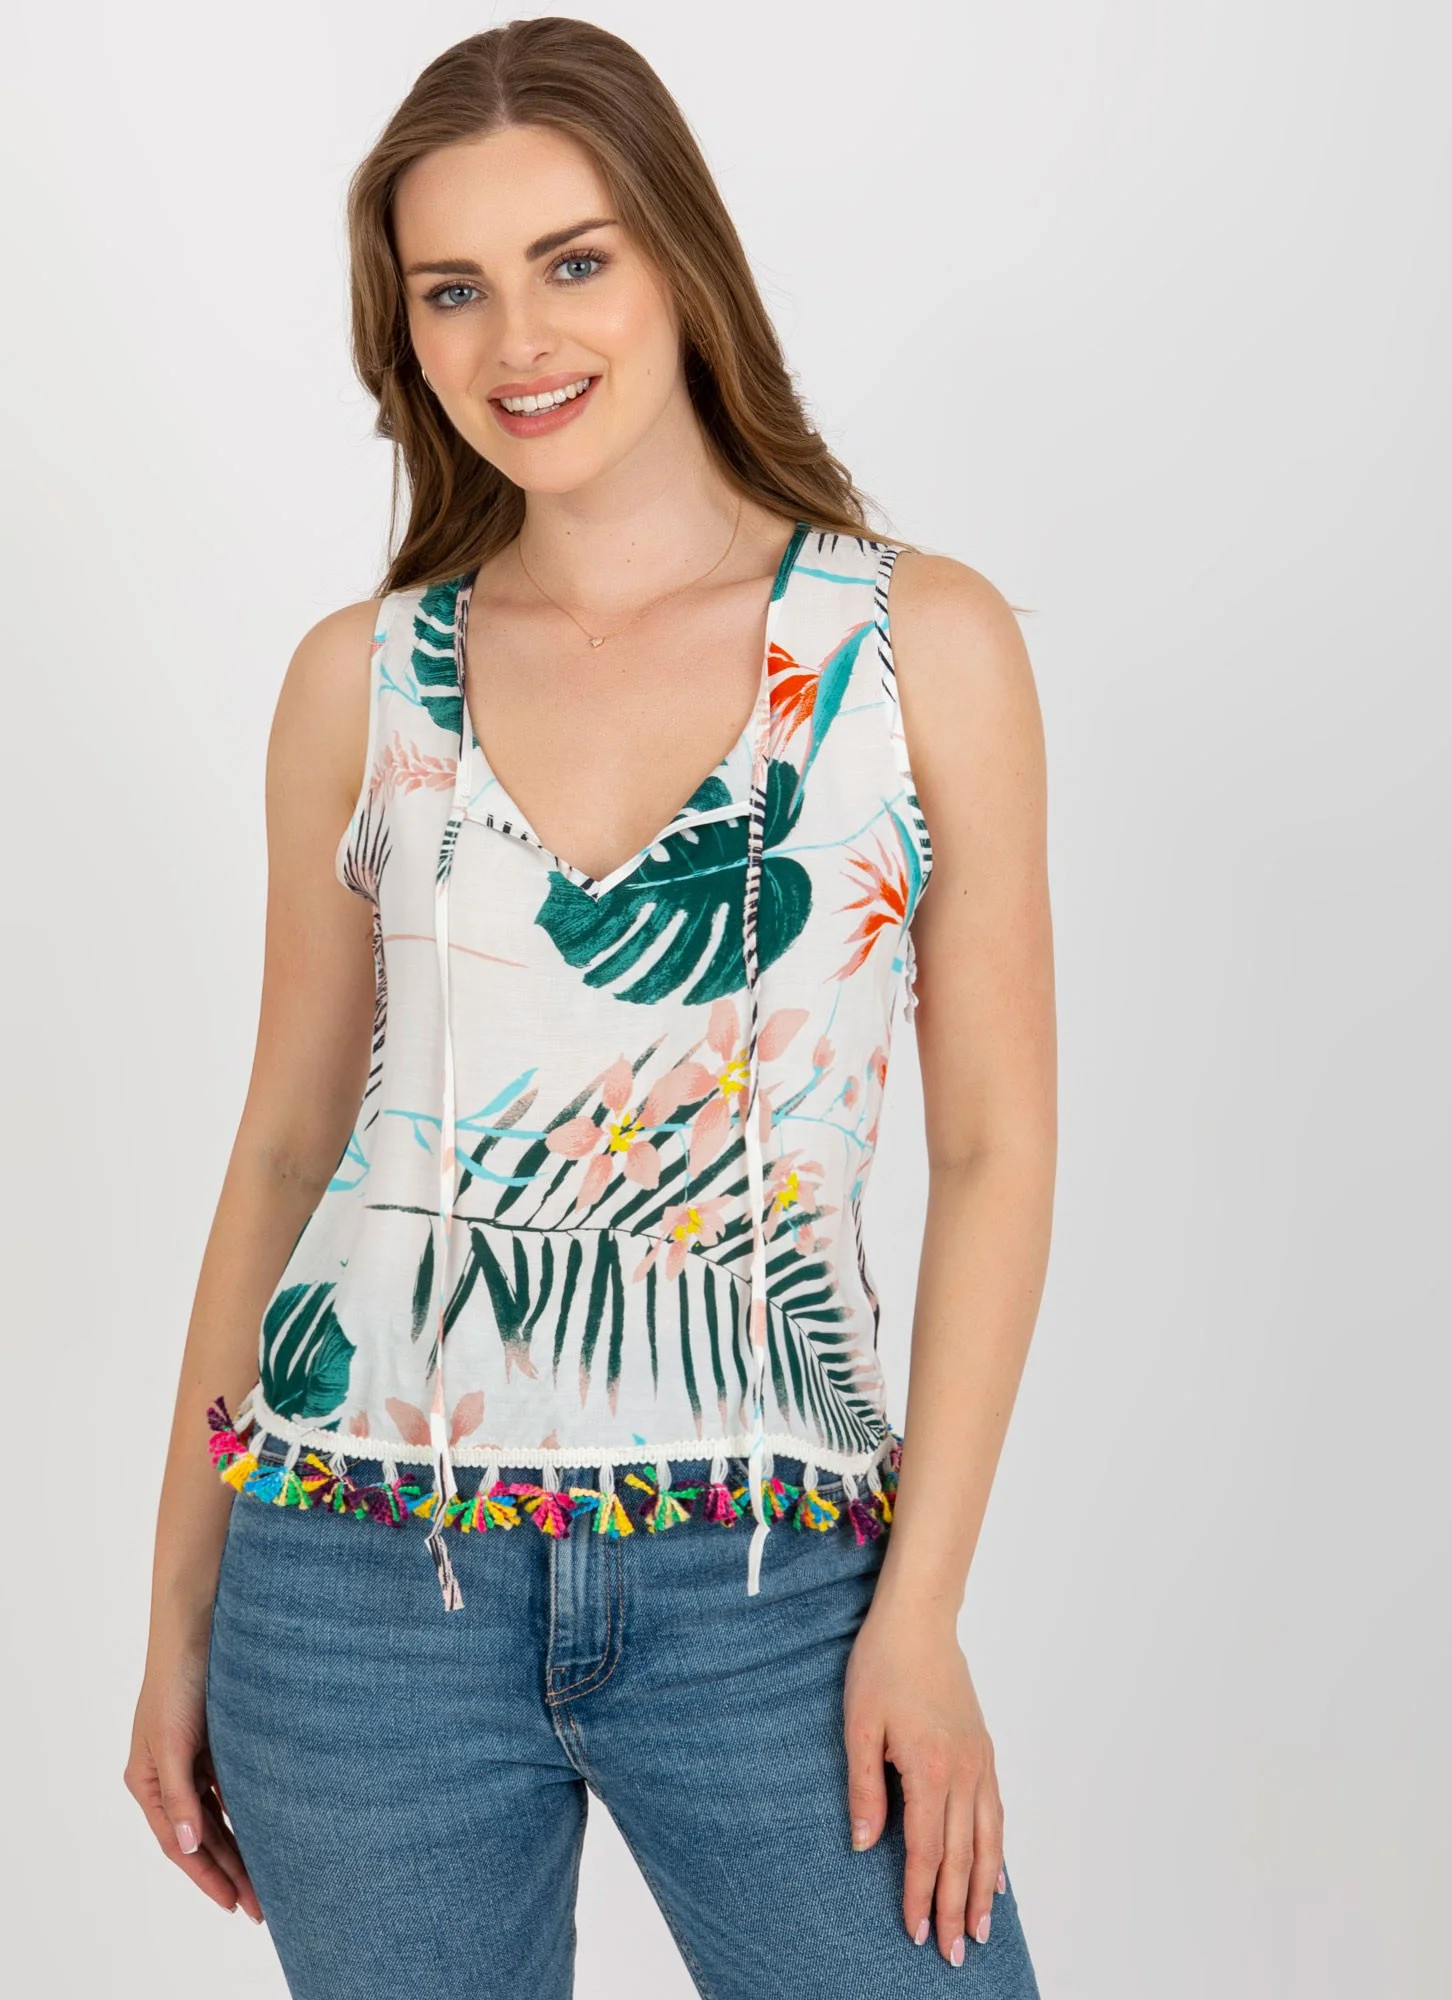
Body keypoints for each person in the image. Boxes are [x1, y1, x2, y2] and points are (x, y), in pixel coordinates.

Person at [123, 17, 1055, 1996]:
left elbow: (994, 1146)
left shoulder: (916, 646)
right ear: (403, 332)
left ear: (681, 262)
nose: (516, 340)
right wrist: (177, 1613)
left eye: (572, 261)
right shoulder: (362, 680)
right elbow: (286, 1144)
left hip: (778, 1577)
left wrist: (921, 1612)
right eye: (450, 288)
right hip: (351, 1576)